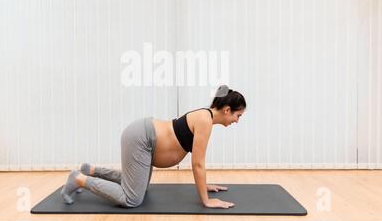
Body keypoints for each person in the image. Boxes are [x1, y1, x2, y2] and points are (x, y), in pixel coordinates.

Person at [60, 85, 246, 209]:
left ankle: (90, 170)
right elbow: (198, 164)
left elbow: (197, 163)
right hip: (142, 138)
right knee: (132, 198)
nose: (237, 121)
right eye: (238, 116)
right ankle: (79, 179)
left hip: (145, 138)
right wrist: (206, 201)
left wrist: (204, 186)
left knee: (138, 186)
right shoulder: (205, 120)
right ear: (227, 110)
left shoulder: (205, 117)